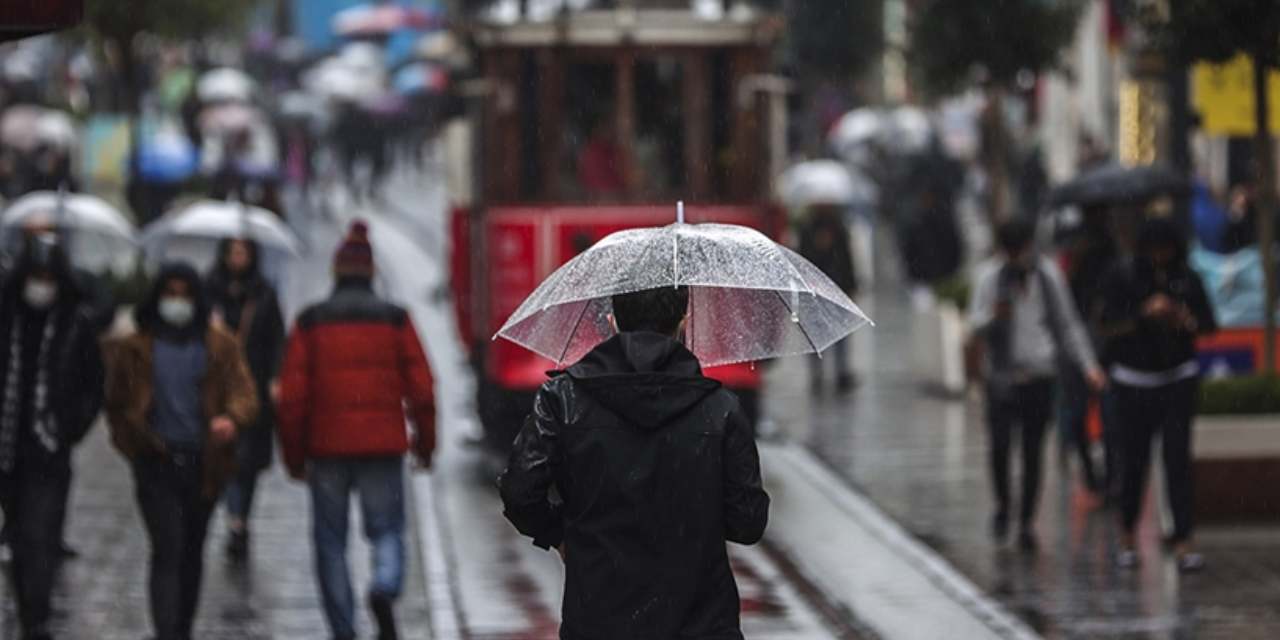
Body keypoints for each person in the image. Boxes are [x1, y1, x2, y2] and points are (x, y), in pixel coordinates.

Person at [498, 285, 771, 640]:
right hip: (700, 622)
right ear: (683, 323)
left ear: (613, 322)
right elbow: (748, 523)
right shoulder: (720, 409)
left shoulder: (562, 399)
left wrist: (561, 535)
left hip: (599, 621)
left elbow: (519, 492)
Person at [278, 221, 436, 640]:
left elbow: (291, 398)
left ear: (335, 273)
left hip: (326, 449)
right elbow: (423, 389)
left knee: (330, 542)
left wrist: (294, 458)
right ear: (371, 273)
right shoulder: (395, 320)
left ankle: (343, 628)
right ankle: (384, 585)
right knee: (387, 530)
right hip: (382, 445)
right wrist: (425, 445)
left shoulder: (311, 322)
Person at [103, 262, 258, 640]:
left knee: (191, 549)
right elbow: (116, 402)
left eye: (184, 294)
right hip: (155, 462)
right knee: (167, 547)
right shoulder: (137, 347)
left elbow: (244, 392)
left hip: (203, 464)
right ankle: (166, 631)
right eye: (169, 294)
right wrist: (133, 443)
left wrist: (231, 419)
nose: (177, 302)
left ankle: (181, 628)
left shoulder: (219, 344)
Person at [968, 219, 1106, 552]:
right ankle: (1003, 506)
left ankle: (1027, 521)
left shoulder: (1047, 277)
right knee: (1000, 447)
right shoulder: (989, 278)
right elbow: (974, 324)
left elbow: (1067, 323)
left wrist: (1089, 366)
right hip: (1001, 377)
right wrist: (993, 317)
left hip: (1039, 376)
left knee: (1033, 451)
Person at [0, 235, 103, 640]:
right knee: (18, 537)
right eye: (36, 276)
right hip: (6, 448)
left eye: (48, 277)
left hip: (47, 451)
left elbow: (93, 384)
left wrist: (69, 427)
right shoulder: (6, 317)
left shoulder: (74, 325)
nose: (40, 286)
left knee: (39, 536)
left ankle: (36, 620)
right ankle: (29, 609)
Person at [1100, 218, 1216, 572]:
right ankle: (1127, 536)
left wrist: (1183, 319)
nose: (1160, 257)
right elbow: (1107, 325)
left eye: (1166, 250)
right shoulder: (1123, 276)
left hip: (1177, 378)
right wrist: (1143, 314)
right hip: (1133, 381)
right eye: (1155, 250)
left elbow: (1208, 324)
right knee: (1134, 462)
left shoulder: (1187, 278)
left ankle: (1183, 540)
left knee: (1178, 460)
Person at [207, 238, 286, 563]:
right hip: (217, 387)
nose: (238, 258)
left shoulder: (263, 292)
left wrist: (275, 378)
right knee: (225, 456)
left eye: (243, 252)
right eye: (233, 252)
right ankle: (235, 517)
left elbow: (277, 338)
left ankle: (240, 517)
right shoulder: (209, 290)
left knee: (247, 460)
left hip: (253, 386)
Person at [797, 203, 859, 392]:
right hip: (815, 289)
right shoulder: (807, 229)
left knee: (840, 334)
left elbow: (846, 258)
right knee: (815, 334)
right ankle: (817, 375)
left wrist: (851, 284)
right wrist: (818, 247)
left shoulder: (838, 227)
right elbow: (802, 260)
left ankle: (841, 373)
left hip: (837, 287)